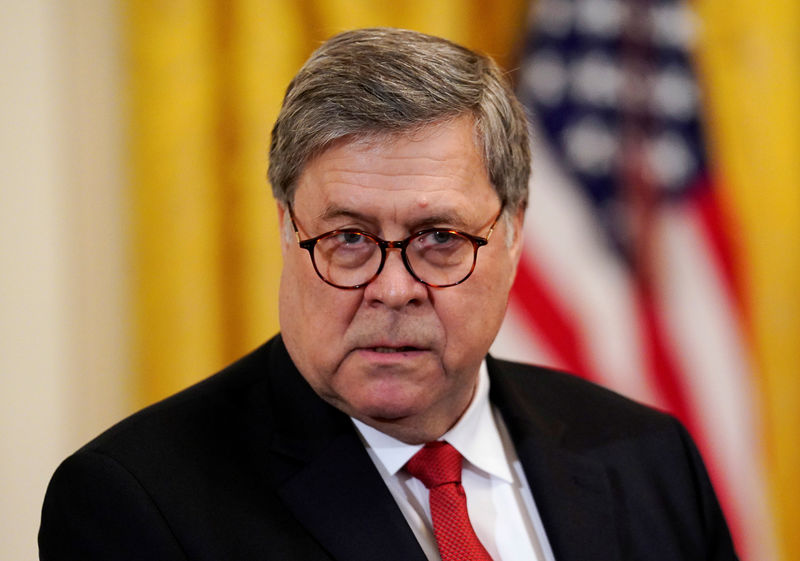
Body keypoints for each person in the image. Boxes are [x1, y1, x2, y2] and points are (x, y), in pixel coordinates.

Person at [39, 28, 738, 561]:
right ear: (288, 228)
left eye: (439, 237)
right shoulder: (137, 503)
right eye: (347, 237)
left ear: (515, 233)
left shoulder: (651, 458)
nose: (393, 288)